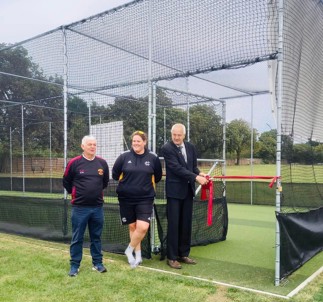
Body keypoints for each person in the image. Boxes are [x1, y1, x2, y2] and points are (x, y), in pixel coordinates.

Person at [161, 123, 209, 269]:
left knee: (186, 224)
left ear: (184, 135)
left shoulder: (190, 147)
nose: (176, 137)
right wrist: (196, 178)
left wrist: (200, 173)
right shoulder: (167, 148)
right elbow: (177, 168)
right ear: (171, 134)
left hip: (188, 191)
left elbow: (192, 166)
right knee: (174, 224)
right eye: (174, 134)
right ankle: (172, 257)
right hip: (174, 193)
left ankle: (183, 254)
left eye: (179, 135)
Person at [112, 131, 162, 268]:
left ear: (144, 142)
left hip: (145, 198)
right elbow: (115, 174)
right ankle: (138, 256)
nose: (135, 143)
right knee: (133, 226)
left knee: (143, 227)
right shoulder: (123, 157)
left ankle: (128, 250)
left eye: (138, 141)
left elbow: (157, 177)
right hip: (126, 198)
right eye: (134, 141)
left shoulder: (153, 158)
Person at [63, 135, 109, 277]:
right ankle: (74, 266)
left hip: (97, 208)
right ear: (82, 146)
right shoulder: (74, 163)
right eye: (89, 144)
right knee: (77, 238)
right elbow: (66, 181)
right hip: (80, 208)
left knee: (96, 237)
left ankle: (97, 263)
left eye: (94, 144)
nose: (92, 147)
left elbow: (105, 182)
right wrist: (76, 194)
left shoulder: (102, 163)